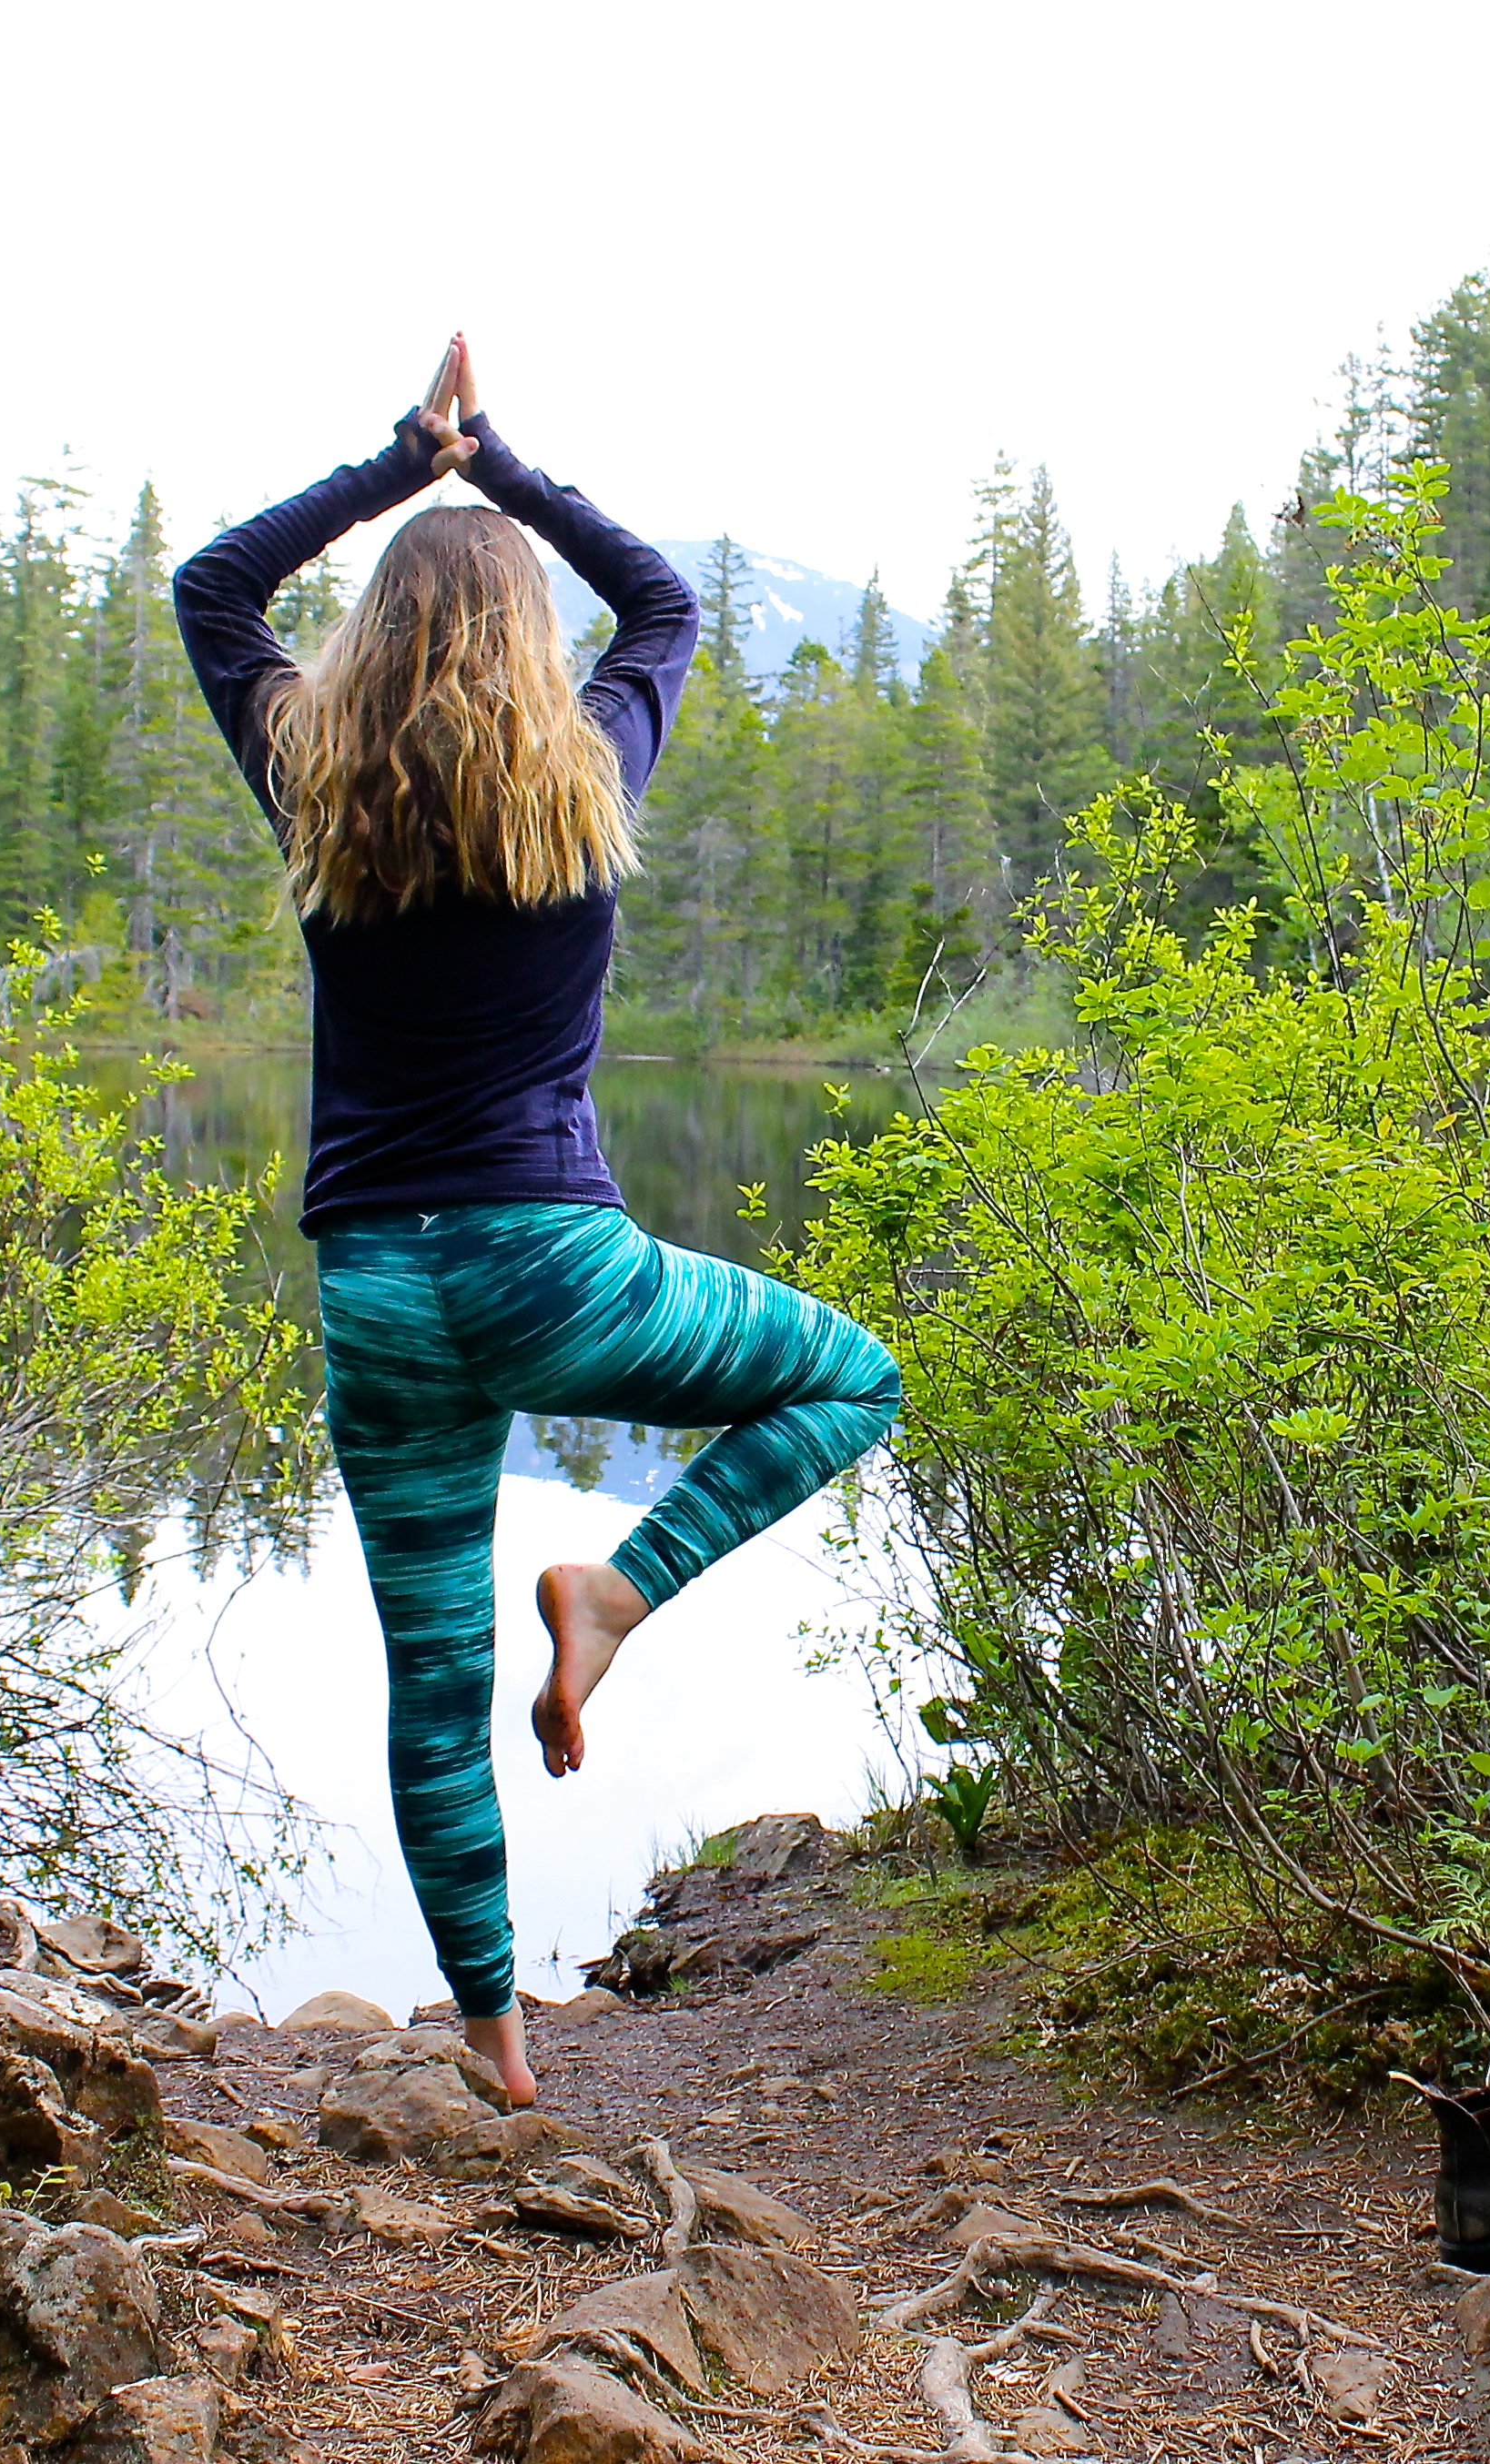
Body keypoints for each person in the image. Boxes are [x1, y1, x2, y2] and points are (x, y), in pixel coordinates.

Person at [171, 337, 902, 2104]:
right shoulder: (587, 771)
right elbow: (661, 601)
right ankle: (617, 1589)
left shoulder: (313, 776)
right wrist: (493, 466)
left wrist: (393, 467)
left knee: (433, 1683)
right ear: (527, 642)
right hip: (554, 1265)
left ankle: (496, 2046)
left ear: (367, 640)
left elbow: (214, 587)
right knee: (850, 1378)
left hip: (381, 1294)